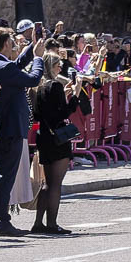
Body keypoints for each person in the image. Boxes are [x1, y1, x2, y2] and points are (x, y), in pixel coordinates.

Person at [0, 27, 45, 236]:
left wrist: (32, 47)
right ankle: (1, 221)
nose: (15, 47)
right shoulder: (2, 66)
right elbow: (33, 79)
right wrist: (38, 58)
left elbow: (15, 67)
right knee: (3, 177)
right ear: (6, 44)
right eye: (13, 43)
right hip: (8, 129)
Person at [31, 55, 92, 234]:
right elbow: (64, 113)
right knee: (55, 184)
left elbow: (42, 113)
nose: (60, 69)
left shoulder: (38, 87)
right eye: (58, 65)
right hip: (58, 138)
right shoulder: (54, 85)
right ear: (51, 67)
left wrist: (63, 95)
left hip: (44, 136)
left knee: (47, 183)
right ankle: (51, 223)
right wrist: (76, 93)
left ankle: (38, 223)